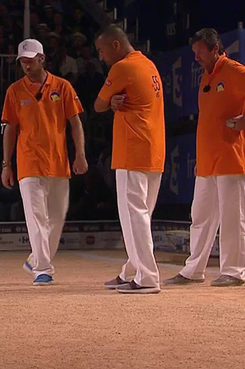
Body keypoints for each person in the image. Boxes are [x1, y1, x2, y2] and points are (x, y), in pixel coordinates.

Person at [163, 28, 245, 287]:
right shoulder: (206, 76)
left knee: (232, 216)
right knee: (200, 215)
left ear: (215, 49)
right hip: (207, 159)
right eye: (194, 53)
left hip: (230, 155)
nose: (196, 58)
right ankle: (194, 270)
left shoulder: (232, 69)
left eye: (200, 52)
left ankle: (234, 271)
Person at [1, 38, 88, 286]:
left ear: (42, 58)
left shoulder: (62, 87)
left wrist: (79, 154)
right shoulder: (14, 91)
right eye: (23, 62)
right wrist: (6, 164)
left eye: (31, 60)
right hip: (28, 162)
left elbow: (75, 123)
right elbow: (9, 127)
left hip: (59, 162)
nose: (27, 66)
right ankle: (43, 268)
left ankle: (35, 258)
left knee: (57, 218)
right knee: (36, 218)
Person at [93, 25, 165, 294]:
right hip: (154, 150)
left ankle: (147, 277)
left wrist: (111, 102)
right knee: (141, 215)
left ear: (114, 45)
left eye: (101, 51)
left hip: (132, 151)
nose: (101, 57)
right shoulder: (150, 65)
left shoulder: (122, 68)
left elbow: (98, 104)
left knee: (134, 216)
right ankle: (132, 270)